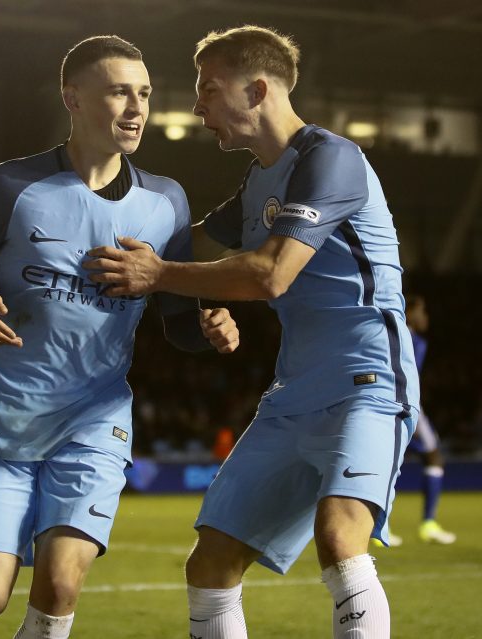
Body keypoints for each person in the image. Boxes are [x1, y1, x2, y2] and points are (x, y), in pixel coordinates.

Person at [84, 25, 420, 639]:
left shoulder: (331, 158)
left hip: (367, 380)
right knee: (211, 561)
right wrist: (194, 285)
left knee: (340, 535)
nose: (197, 106)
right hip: (294, 394)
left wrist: (166, 276)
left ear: (258, 89)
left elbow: (269, 276)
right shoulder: (259, 185)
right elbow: (191, 251)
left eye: (208, 90)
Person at [0, 35, 239, 639]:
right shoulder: (12, 187)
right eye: (120, 91)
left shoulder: (165, 203)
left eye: (144, 93)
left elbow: (174, 322)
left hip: (96, 421)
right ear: (73, 98)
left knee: (60, 585)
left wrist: (206, 326)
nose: (137, 107)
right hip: (7, 424)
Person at [379, 295, 455, 545]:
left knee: (383, 462)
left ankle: (379, 526)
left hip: (382, 400)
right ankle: (427, 523)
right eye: (422, 311)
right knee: (433, 456)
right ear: (408, 312)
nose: (426, 318)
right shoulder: (410, 338)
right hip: (403, 402)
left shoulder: (388, 332)